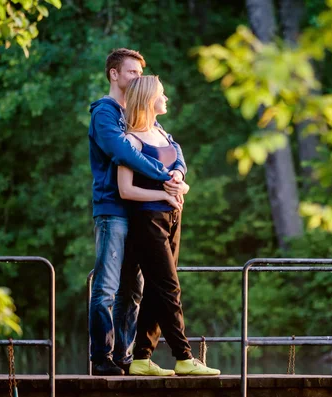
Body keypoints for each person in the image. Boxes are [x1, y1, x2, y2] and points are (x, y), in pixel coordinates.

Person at [88, 48, 187, 376]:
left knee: (134, 289)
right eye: (131, 72)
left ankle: (126, 356)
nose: (137, 78)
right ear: (114, 74)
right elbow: (123, 152)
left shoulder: (140, 117)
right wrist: (165, 178)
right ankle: (101, 357)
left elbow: (172, 150)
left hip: (138, 212)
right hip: (112, 210)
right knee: (106, 286)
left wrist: (177, 179)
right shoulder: (105, 113)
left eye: (139, 73)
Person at [117, 75, 220, 376]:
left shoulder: (163, 134)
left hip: (173, 217)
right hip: (147, 220)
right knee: (169, 287)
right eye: (162, 94)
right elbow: (126, 190)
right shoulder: (131, 141)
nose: (166, 98)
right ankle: (184, 357)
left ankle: (141, 358)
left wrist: (179, 185)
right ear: (149, 98)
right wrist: (164, 192)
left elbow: (180, 174)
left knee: (157, 290)